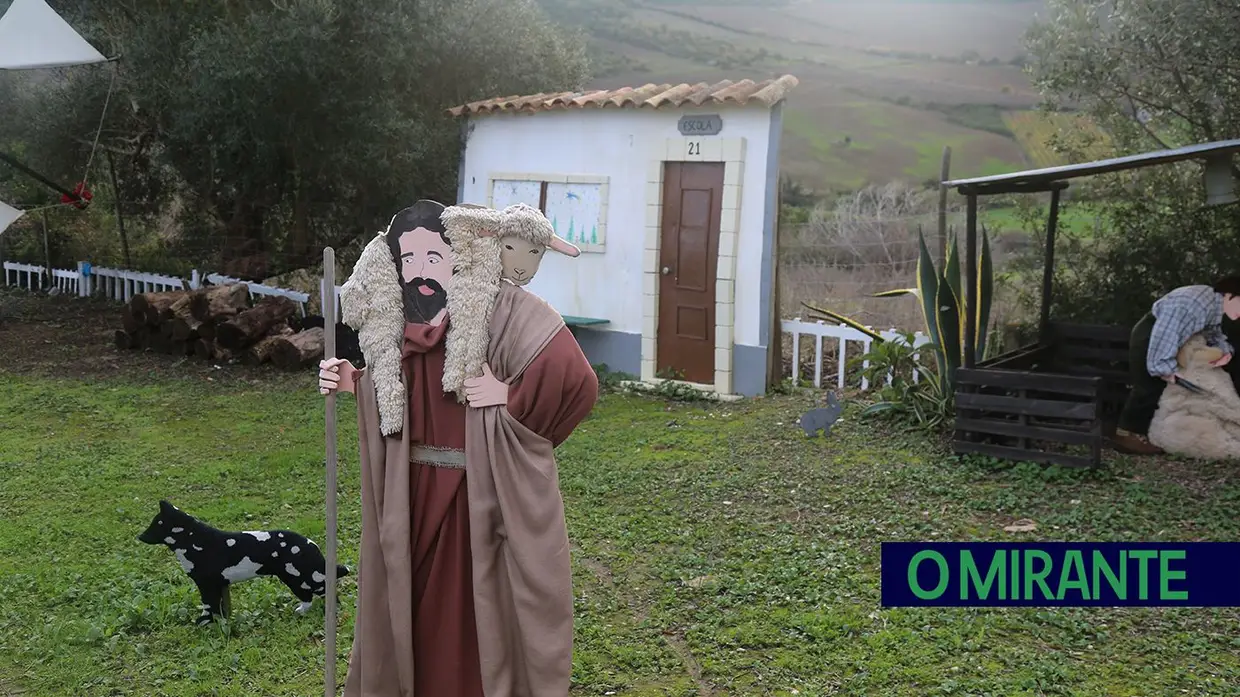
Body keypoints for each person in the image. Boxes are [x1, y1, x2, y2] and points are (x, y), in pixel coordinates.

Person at [317, 200, 599, 697]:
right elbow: (397, 392)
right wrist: (352, 382)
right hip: (412, 494)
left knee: (472, 606)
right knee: (411, 600)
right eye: (408, 259)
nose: (420, 271)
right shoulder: (395, 325)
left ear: (459, 254)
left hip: (477, 494)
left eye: (433, 257)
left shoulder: (503, 311)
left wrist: (509, 397)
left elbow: (576, 381)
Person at [1113, 276, 1240, 455]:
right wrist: (1163, 367)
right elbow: (1166, 333)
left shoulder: (1214, 305)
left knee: (1158, 386)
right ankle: (1126, 435)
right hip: (1151, 335)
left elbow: (1213, 332)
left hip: (1170, 337)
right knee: (1148, 385)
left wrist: (1225, 351)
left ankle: (1145, 433)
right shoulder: (1193, 305)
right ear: (1230, 295)